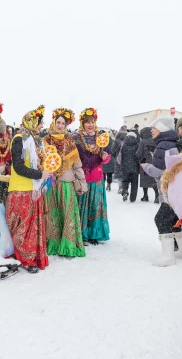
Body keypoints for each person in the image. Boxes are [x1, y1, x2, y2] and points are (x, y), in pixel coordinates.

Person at [5, 105, 51, 273]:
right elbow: (18, 167)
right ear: (31, 122)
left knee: (31, 227)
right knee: (22, 228)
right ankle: (24, 259)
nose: (41, 126)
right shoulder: (20, 139)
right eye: (40, 122)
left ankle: (30, 257)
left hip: (32, 189)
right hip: (21, 190)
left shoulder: (35, 139)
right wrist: (40, 174)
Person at [142, 116, 182, 266]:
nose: (152, 130)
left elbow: (161, 171)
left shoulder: (163, 144)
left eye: (154, 127)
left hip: (169, 191)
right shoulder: (170, 143)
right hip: (177, 191)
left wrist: (146, 167)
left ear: (162, 129)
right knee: (174, 219)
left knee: (161, 219)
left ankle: (168, 256)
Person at [43, 108, 87, 256]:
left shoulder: (69, 142)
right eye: (58, 122)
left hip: (66, 183)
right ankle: (54, 244)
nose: (60, 125)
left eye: (63, 123)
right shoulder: (45, 141)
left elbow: (77, 165)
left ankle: (68, 246)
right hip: (50, 183)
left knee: (67, 214)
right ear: (53, 122)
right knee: (52, 215)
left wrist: (81, 184)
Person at [73, 107, 111, 245]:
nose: (90, 124)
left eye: (93, 121)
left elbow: (107, 157)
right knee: (82, 206)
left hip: (96, 178)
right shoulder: (75, 138)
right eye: (87, 122)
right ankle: (82, 234)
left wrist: (105, 157)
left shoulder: (101, 138)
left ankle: (95, 233)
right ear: (82, 123)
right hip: (81, 178)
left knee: (95, 207)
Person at [136, 127, 158, 203]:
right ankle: (157, 196)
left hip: (145, 162)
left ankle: (145, 196)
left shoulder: (143, 142)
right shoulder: (156, 140)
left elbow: (138, 153)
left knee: (145, 180)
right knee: (154, 180)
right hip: (155, 162)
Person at [118, 131, 140, 202]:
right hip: (135, 167)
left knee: (125, 180)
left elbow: (116, 153)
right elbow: (139, 155)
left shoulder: (122, 144)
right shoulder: (137, 145)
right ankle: (132, 198)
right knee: (134, 183)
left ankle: (125, 191)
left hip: (124, 166)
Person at [112, 126, 127, 194]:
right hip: (126, 159)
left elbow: (113, 150)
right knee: (124, 173)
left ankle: (120, 187)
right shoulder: (128, 139)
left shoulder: (116, 141)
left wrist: (116, 155)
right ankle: (125, 187)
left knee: (119, 174)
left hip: (118, 159)